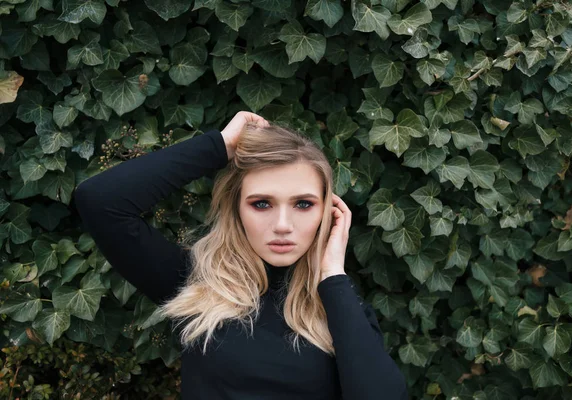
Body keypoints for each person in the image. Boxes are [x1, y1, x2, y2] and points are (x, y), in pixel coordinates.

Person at [74, 111, 408, 399]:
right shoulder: (197, 284)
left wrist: (333, 275)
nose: (282, 225)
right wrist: (220, 146)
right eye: (261, 203)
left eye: (303, 204)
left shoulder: (342, 307)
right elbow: (101, 201)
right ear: (236, 209)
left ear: (328, 213)